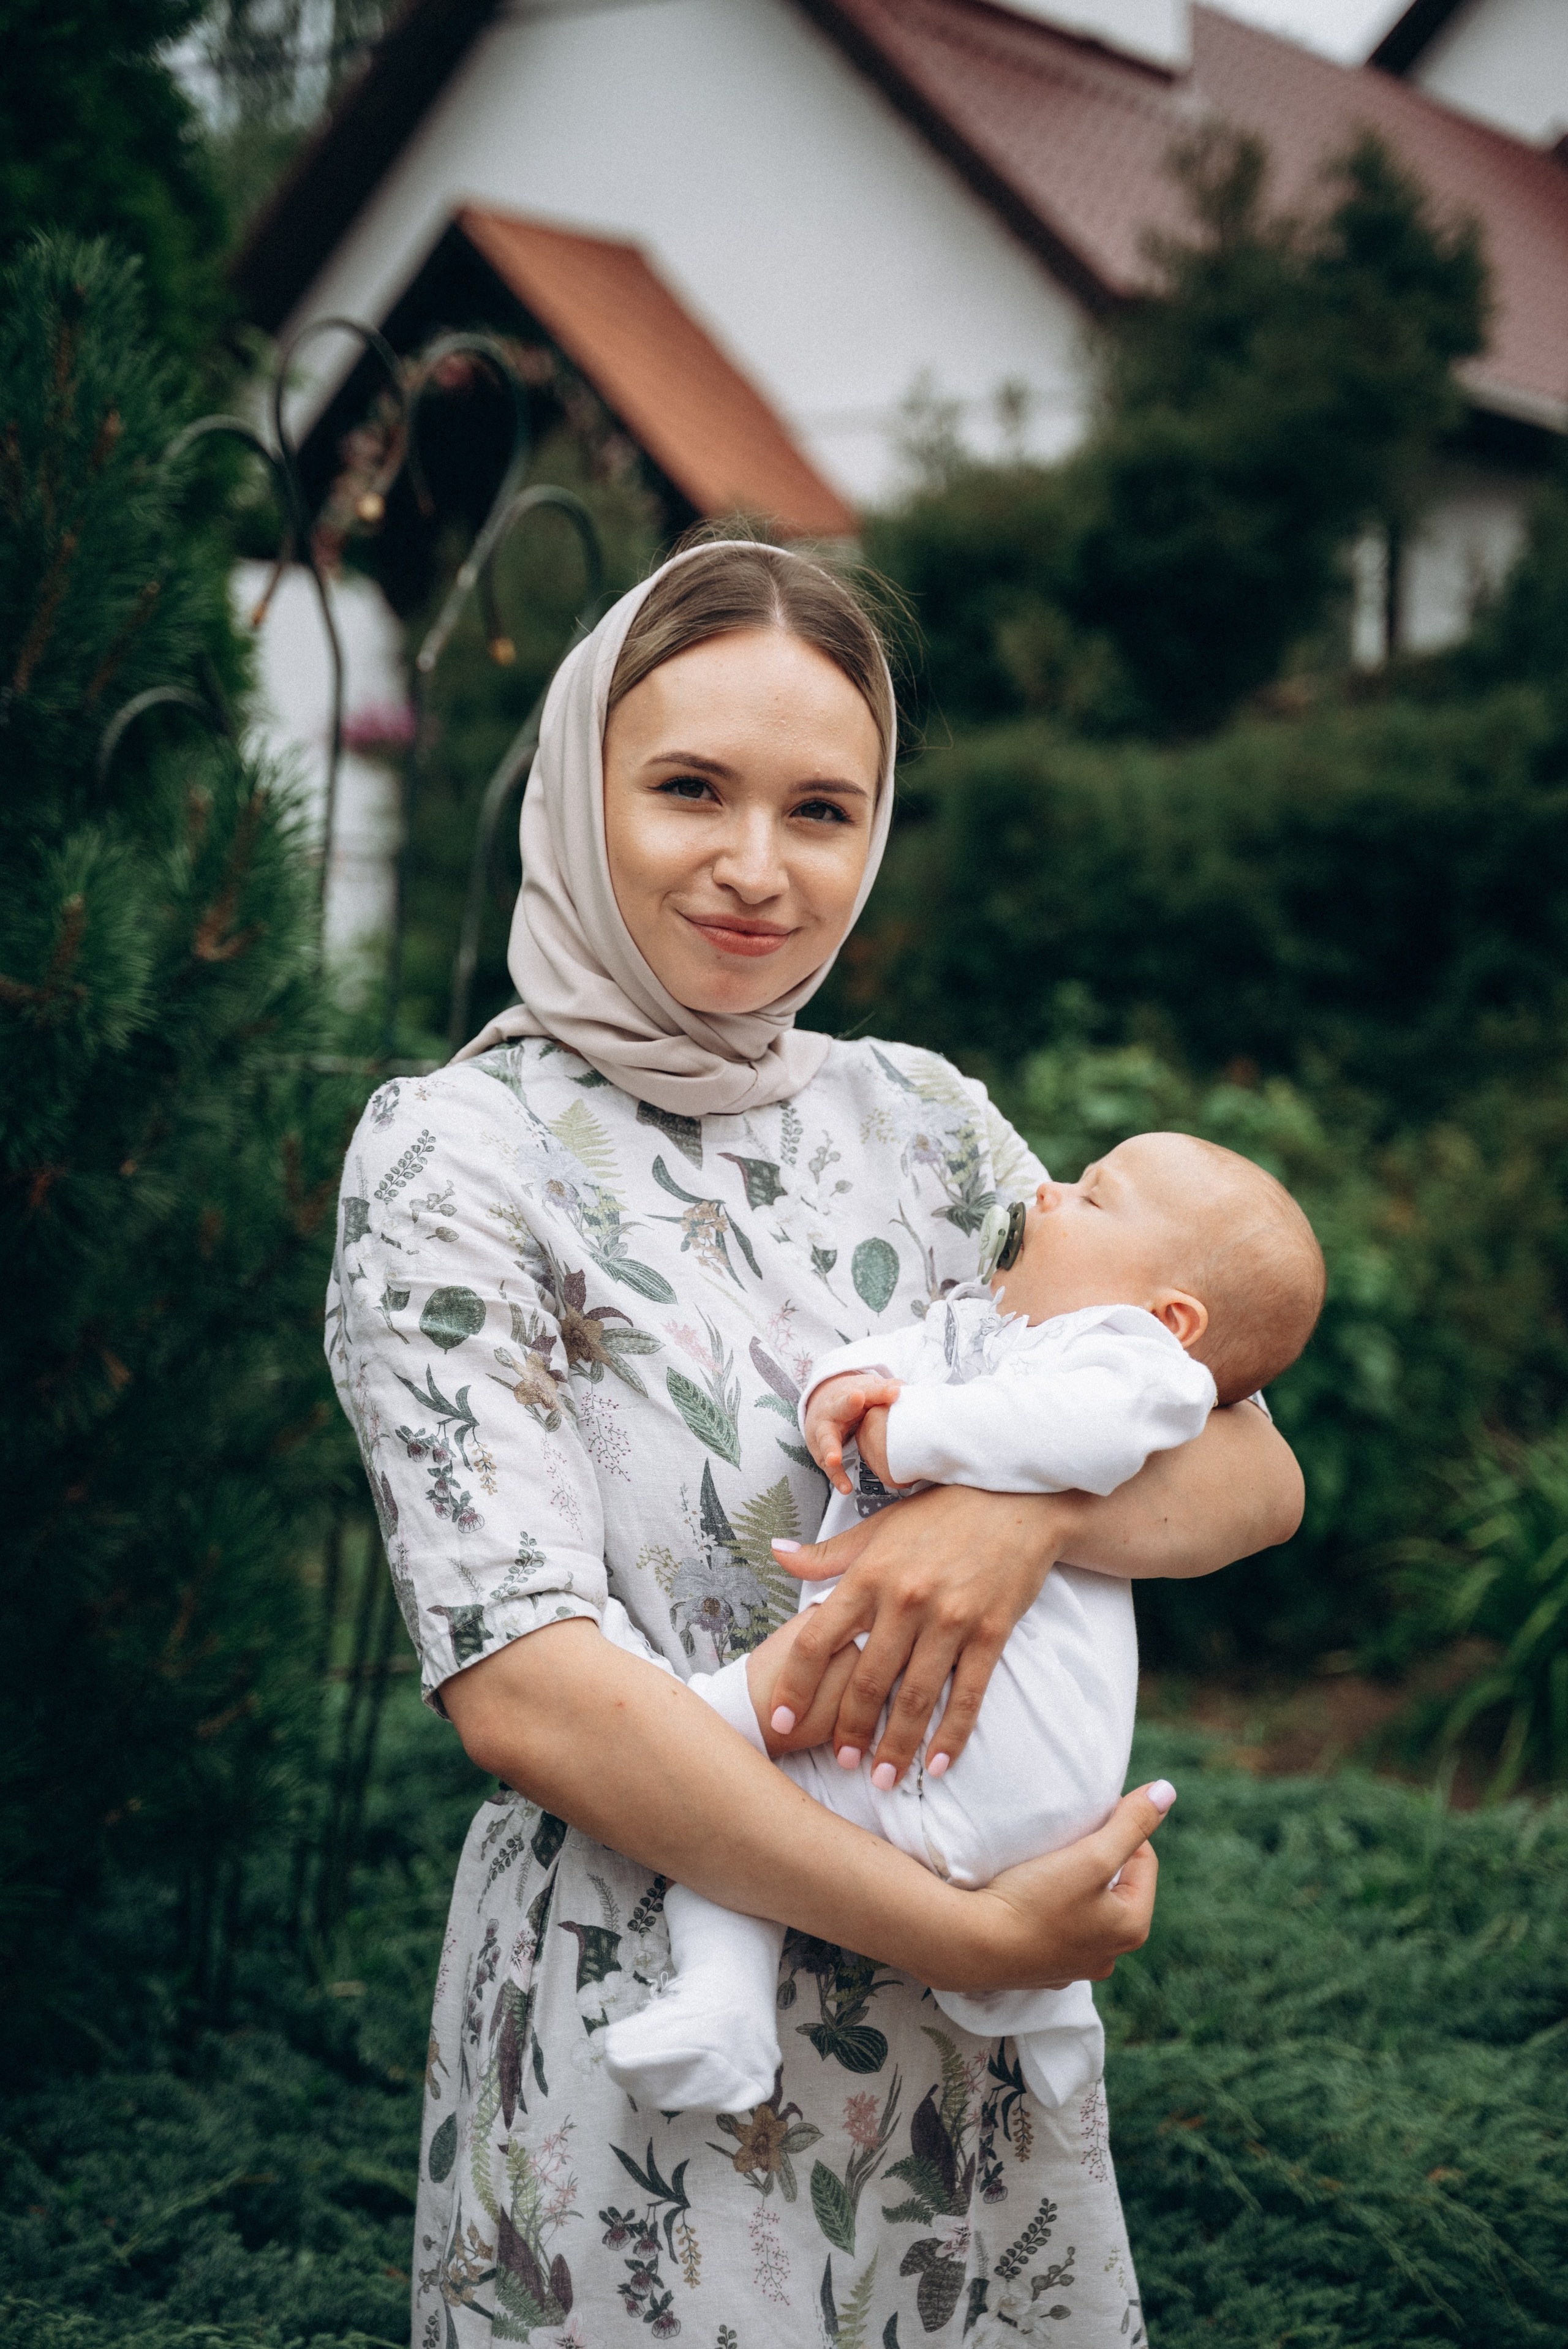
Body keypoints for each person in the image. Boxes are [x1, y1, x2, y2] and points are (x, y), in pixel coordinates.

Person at [326, 538, 1305, 2349]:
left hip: (964, 2086)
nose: (758, 869)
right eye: (689, 786)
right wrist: (970, 1943)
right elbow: (523, 1685)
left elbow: (1253, 1470)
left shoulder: (923, 1122)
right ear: (576, 782)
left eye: (823, 808)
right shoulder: (453, 1156)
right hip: (657, 2046)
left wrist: (1007, 1517)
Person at [601, 1133, 1324, 2119]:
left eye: (1093, 1197)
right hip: (905, 1748)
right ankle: (727, 2011)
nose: (1048, 1191)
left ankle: (1039, 1989)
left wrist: (912, 1438)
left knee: (699, 1750)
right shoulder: (986, 1332)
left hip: (991, 1734)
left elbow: (1089, 1431)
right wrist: (839, 1393)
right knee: (730, 1832)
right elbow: (883, 1362)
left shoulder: (1136, 1362)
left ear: (1173, 1317)